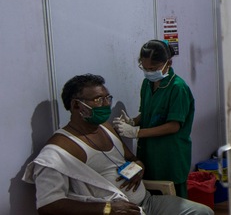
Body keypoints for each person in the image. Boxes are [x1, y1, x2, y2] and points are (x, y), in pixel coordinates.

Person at [22, 74, 213, 215]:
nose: (106, 104)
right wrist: (106, 208)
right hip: (115, 211)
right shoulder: (58, 150)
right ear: (76, 105)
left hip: (147, 202)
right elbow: (48, 206)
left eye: (107, 98)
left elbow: (132, 158)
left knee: (203, 213)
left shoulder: (105, 128)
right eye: (98, 100)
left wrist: (139, 166)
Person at [114, 39, 195, 198]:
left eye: (153, 68)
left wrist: (137, 133)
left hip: (170, 152)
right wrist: (132, 121)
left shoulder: (178, 88)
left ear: (168, 63)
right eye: (145, 68)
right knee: (152, 194)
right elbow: (149, 113)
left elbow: (173, 126)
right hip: (149, 151)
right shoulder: (147, 84)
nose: (149, 72)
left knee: (174, 199)